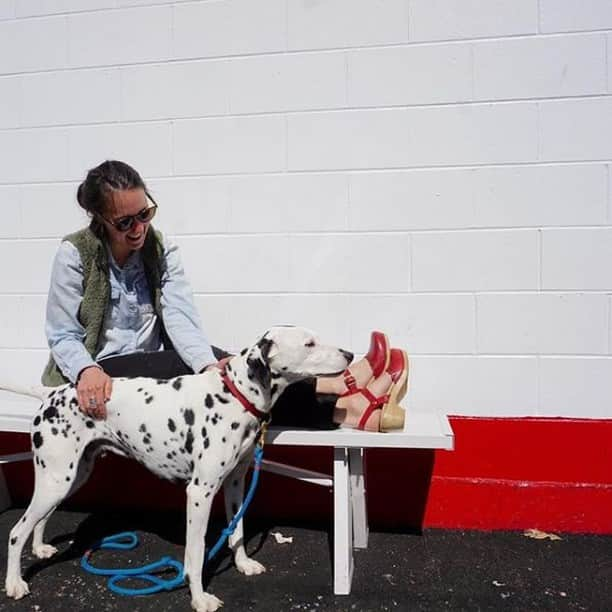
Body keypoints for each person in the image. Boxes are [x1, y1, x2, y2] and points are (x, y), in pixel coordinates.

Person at [42, 160, 407, 432]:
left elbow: (179, 317)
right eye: (125, 223)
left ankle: (344, 404)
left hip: (153, 364)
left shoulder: (159, 247)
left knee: (236, 367)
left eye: (145, 213)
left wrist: (208, 364)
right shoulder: (76, 253)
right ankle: (344, 398)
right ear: (100, 219)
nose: (139, 228)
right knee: (188, 367)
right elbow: (61, 334)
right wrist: (86, 369)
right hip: (102, 371)